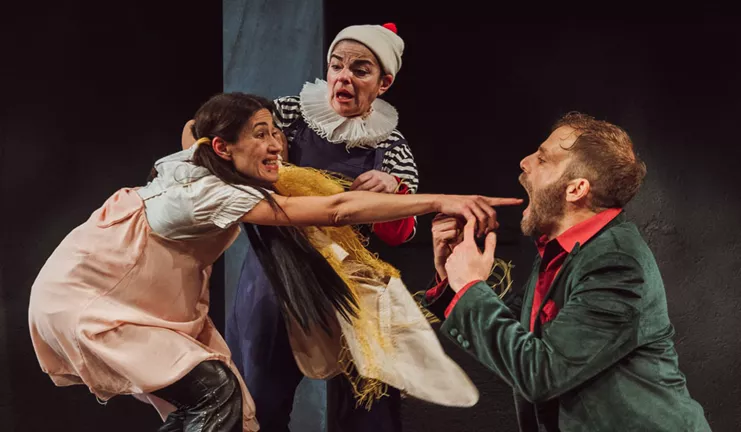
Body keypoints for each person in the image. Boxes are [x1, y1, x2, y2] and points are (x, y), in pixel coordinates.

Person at [28, 92, 516, 432]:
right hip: (92, 299)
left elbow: (193, 130)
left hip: (90, 291)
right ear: (224, 149)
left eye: (275, 132)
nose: (277, 145)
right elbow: (337, 208)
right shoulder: (213, 192)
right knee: (216, 392)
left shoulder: (196, 159)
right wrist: (440, 200)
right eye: (260, 135)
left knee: (219, 401)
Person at [424, 112, 711, 431]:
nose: (524, 162)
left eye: (543, 159)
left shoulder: (617, 263)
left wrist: (470, 286)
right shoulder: (564, 252)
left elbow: (541, 372)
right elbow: (513, 338)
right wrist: (453, 278)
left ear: (576, 189)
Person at [221, 22, 420, 432]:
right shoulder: (289, 114)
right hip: (276, 276)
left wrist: (392, 191)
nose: (344, 77)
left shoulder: (391, 147)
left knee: (370, 403)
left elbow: (399, 234)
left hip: (348, 283)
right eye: (336, 66)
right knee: (260, 398)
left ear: (383, 83)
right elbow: (219, 133)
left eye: (360, 70)